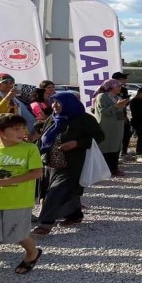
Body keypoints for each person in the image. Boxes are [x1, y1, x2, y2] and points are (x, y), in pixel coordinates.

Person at [32, 92, 104, 236]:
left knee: (55, 192)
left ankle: (45, 224)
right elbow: (43, 139)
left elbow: (99, 137)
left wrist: (77, 143)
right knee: (63, 191)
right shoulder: (53, 118)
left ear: (69, 103)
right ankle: (75, 215)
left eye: (59, 102)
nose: (54, 105)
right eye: (53, 102)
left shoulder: (84, 119)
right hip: (49, 163)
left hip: (71, 164)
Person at [0, 114, 44, 274]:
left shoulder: (29, 149)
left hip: (18, 201)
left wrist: (7, 181)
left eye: (23, 128)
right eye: (16, 129)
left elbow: (37, 173)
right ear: (0, 132)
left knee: (18, 234)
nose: (22, 132)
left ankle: (33, 253)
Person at [93, 79, 129, 176]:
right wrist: (117, 106)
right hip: (105, 127)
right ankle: (103, 170)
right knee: (105, 147)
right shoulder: (101, 97)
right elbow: (104, 112)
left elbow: (119, 111)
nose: (119, 88)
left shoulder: (117, 97)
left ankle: (114, 168)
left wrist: (123, 120)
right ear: (110, 87)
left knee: (115, 147)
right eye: (117, 86)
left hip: (117, 128)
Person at [112, 72, 133, 159]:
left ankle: (123, 151)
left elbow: (124, 104)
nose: (125, 80)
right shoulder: (109, 89)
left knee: (126, 132)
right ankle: (115, 153)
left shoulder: (124, 89)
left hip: (122, 113)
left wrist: (127, 101)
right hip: (113, 114)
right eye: (124, 78)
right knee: (116, 133)